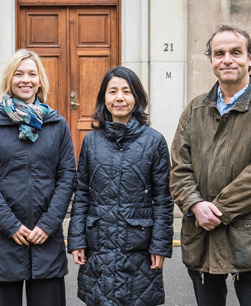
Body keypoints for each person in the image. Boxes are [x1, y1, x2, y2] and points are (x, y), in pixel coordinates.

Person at [170, 23, 251, 306]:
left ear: (250, 58)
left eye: (236, 52)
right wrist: (195, 204)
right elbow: (179, 167)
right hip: (202, 235)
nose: (227, 59)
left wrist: (218, 210)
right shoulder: (195, 109)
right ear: (211, 60)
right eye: (219, 53)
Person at [0, 49, 76, 306]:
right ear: (9, 78)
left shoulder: (57, 125)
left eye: (32, 74)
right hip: (1, 239)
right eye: (18, 74)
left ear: (40, 80)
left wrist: (48, 224)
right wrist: (11, 225)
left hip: (46, 240)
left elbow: (66, 177)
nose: (25, 80)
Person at [67, 66, 174, 306]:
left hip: (139, 246)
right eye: (112, 91)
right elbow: (81, 193)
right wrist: (76, 240)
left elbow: (163, 199)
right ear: (103, 99)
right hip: (98, 245)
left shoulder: (154, 141)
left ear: (136, 97)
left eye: (126, 91)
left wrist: (160, 244)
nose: (119, 98)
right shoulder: (91, 142)